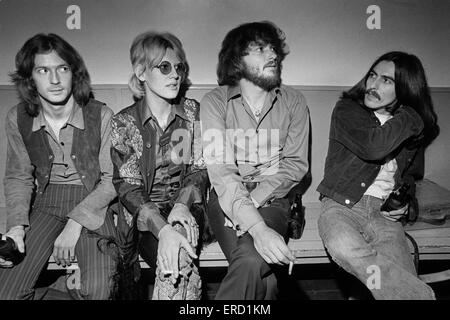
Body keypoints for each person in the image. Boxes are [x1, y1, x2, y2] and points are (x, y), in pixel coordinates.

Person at [0, 33, 118, 300]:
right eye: (43, 70)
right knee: (6, 293)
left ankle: (65, 287)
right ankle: (59, 288)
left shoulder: (100, 114)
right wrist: (17, 226)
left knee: (100, 289)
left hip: (95, 200)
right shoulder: (17, 117)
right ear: (30, 78)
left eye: (62, 69)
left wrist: (75, 222)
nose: (54, 80)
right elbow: (19, 177)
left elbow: (112, 179)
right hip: (46, 202)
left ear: (73, 74)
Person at [200, 21, 310, 299]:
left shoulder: (294, 101)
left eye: (273, 48)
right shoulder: (214, 102)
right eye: (259, 49)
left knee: (251, 262)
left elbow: (295, 166)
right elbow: (222, 172)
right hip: (225, 199)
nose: (271, 54)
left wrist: (254, 204)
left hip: (274, 197)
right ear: (237, 60)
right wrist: (258, 228)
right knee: (264, 277)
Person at [317, 51, 440, 300]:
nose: (373, 84)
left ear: (405, 88)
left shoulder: (406, 126)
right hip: (342, 205)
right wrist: (414, 115)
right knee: (344, 246)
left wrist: (403, 202)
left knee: (393, 278)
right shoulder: (347, 110)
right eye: (373, 75)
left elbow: (410, 175)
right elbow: (374, 147)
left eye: (387, 80)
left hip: (385, 215)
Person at [110, 31, 210, 299]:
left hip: (186, 207)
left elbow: (198, 169)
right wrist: (162, 228)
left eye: (179, 67)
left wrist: (181, 205)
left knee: (177, 260)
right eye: (164, 67)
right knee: (176, 261)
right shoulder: (125, 123)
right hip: (143, 216)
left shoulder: (191, 114)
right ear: (141, 72)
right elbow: (128, 187)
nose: (174, 74)